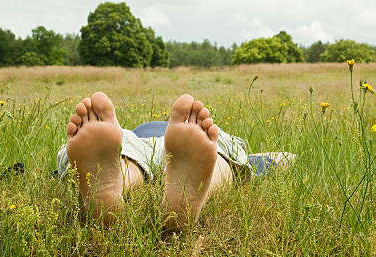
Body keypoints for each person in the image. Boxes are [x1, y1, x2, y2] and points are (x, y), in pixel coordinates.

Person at [57, 92, 294, 230]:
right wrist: (279, 158)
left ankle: (114, 183)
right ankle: (201, 188)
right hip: (177, 146)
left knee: (125, 153)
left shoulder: (133, 133)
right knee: (223, 153)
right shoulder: (196, 131)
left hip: (135, 143)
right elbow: (281, 158)